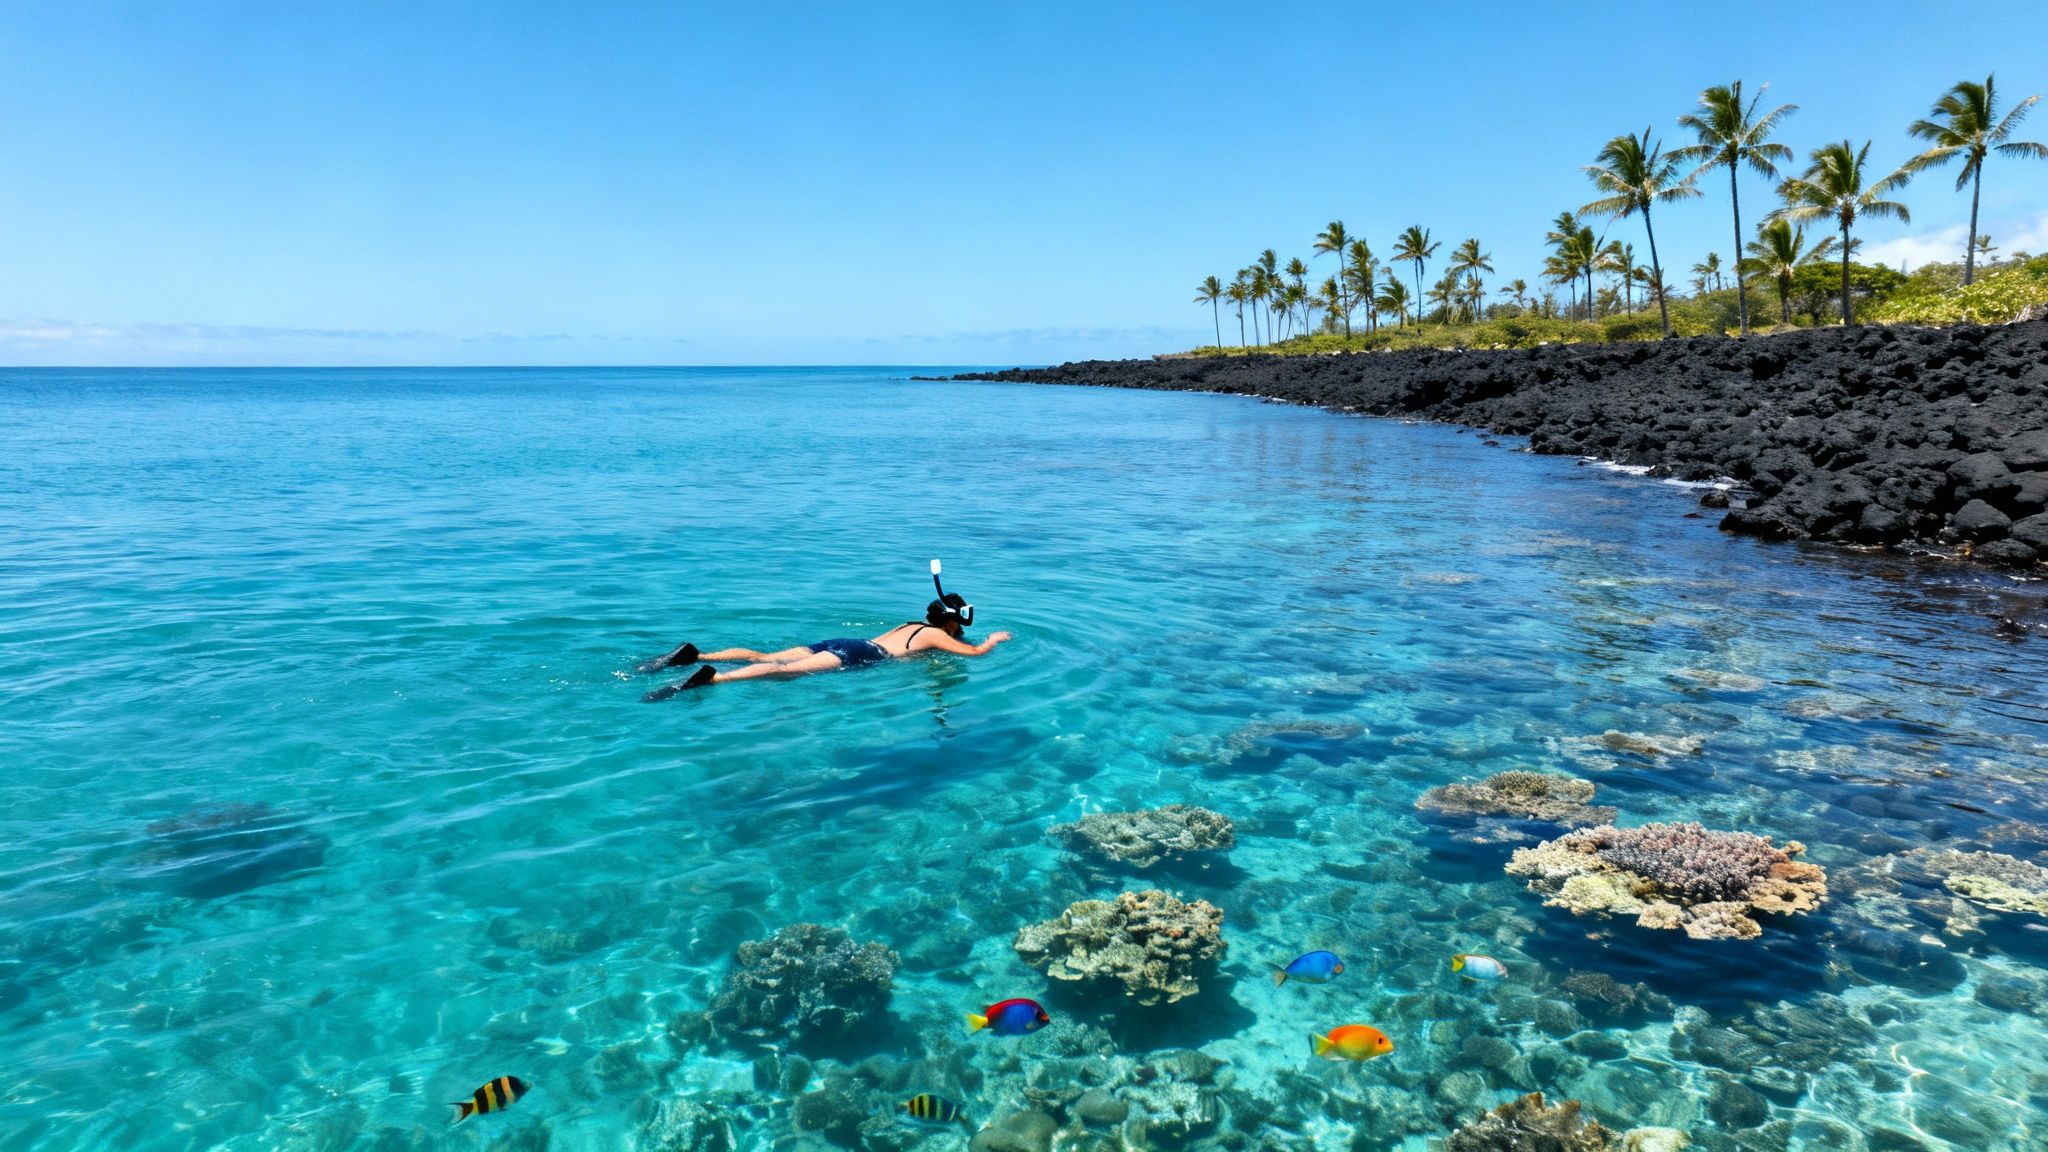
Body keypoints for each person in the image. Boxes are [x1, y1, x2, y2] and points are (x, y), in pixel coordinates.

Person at [640, 592, 1012, 700]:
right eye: (959, 622)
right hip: (863, 655)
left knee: (769, 656)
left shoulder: (911, 625)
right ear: (950, 621)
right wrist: (992, 640)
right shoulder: (937, 636)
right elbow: (975, 654)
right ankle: (715, 679)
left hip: (847, 641)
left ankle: (698, 654)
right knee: (788, 673)